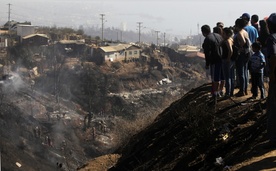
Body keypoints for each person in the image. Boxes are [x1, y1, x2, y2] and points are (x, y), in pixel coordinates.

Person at [201, 24, 224, 104]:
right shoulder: (218, 36)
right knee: (222, 77)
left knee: (215, 78)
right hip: (222, 59)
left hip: (215, 60)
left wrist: (207, 64)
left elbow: (207, 53)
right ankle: (221, 91)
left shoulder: (207, 39)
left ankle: (215, 94)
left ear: (203, 32)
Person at [265, 13, 276, 148]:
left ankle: (273, 139)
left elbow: (273, 56)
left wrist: (272, 73)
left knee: (273, 107)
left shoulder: (271, 38)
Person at [234, 18, 251, 97]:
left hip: (241, 54)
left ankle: (242, 90)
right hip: (247, 54)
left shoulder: (240, 33)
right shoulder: (245, 32)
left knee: (241, 73)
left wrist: (239, 48)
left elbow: (243, 42)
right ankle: (245, 89)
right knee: (244, 72)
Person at [221, 27, 235, 97]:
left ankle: (228, 93)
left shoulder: (227, 41)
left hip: (227, 60)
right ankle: (231, 92)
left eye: (223, 33)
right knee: (231, 76)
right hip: (230, 60)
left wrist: (228, 58)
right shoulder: (231, 40)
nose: (222, 35)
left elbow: (230, 50)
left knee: (227, 77)